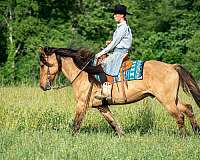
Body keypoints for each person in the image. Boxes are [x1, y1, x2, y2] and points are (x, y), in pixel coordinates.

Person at [95, 4, 133, 100]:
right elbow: (117, 41)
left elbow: (114, 44)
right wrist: (111, 42)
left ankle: (106, 92)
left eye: (116, 14)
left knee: (102, 65)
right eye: (114, 14)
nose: (114, 16)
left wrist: (100, 53)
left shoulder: (123, 27)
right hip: (118, 51)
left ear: (122, 15)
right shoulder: (121, 26)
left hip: (120, 53)